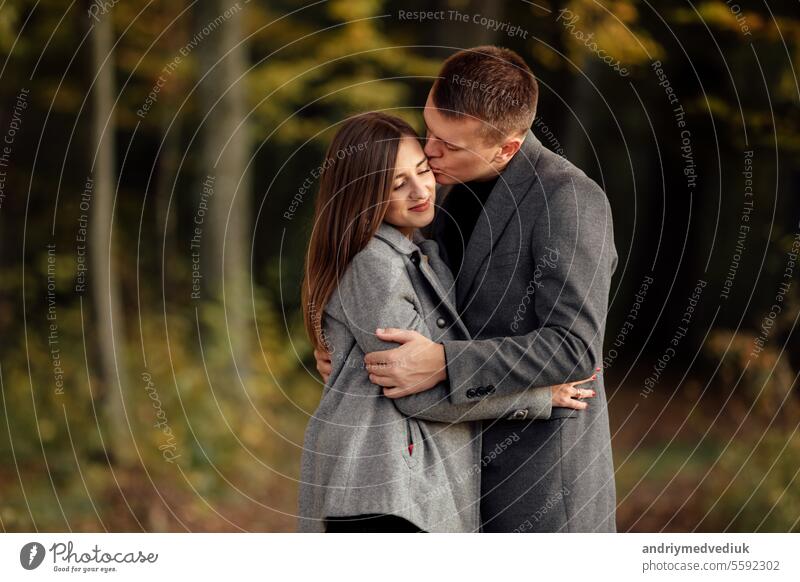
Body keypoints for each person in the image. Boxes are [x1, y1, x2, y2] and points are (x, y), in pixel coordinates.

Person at [314, 46, 619, 532]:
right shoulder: (441, 189)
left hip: (537, 479)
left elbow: (575, 346)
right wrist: (337, 334)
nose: (430, 152)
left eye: (449, 145)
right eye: (430, 131)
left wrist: (443, 363)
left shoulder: (569, 200)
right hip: (450, 474)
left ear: (507, 148)